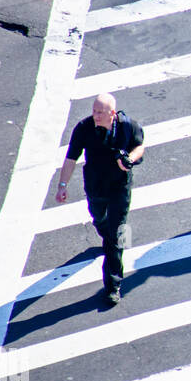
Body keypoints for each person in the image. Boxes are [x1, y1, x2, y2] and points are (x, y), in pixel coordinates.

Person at [55, 93, 145, 306]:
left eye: (100, 112)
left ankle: (113, 285)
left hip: (119, 187)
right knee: (99, 219)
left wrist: (129, 159)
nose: (95, 115)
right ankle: (104, 229)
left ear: (112, 113)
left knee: (115, 236)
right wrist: (62, 185)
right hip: (95, 186)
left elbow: (140, 146)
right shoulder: (84, 128)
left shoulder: (128, 126)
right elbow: (70, 158)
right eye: (94, 111)